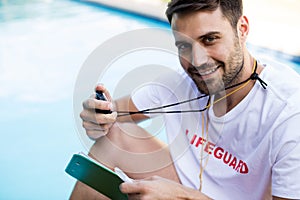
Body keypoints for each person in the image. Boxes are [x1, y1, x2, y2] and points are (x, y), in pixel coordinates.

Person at [70, 0, 300, 199]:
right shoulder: (181, 83)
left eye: (210, 39)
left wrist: (183, 197)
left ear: (242, 29)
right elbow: (111, 115)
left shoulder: (290, 112)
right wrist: (97, 115)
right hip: (186, 186)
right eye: (184, 46)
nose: (198, 60)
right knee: (113, 137)